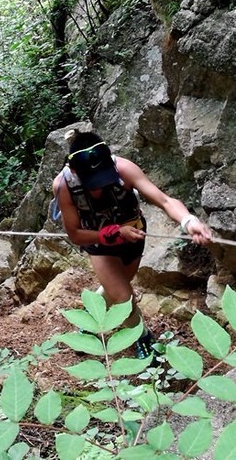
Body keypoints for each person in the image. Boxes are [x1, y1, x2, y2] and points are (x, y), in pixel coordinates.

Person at [53, 130, 213, 358]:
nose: (98, 187)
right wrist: (111, 233)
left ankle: (90, 317)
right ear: (75, 171)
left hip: (134, 234)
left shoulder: (124, 169)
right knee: (123, 296)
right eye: (92, 182)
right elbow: (76, 234)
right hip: (99, 243)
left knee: (118, 285)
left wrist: (189, 221)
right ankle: (142, 338)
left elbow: (165, 200)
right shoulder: (64, 186)